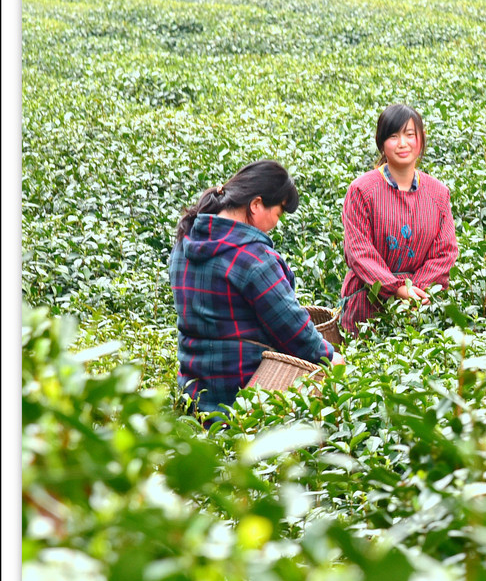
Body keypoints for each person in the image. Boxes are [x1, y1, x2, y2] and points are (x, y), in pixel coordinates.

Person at [170, 161, 340, 420]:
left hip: (193, 396)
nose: (276, 222)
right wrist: (332, 358)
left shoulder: (184, 242)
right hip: (243, 400)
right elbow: (293, 329)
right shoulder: (253, 258)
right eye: (278, 213)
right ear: (256, 204)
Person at [340, 104, 459, 335]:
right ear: (382, 142)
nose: (402, 143)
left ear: (421, 139)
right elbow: (358, 251)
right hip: (366, 308)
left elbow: (445, 252)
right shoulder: (362, 191)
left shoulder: (438, 193)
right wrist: (396, 289)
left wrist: (416, 292)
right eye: (393, 136)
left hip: (421, 307)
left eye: (409, 134)